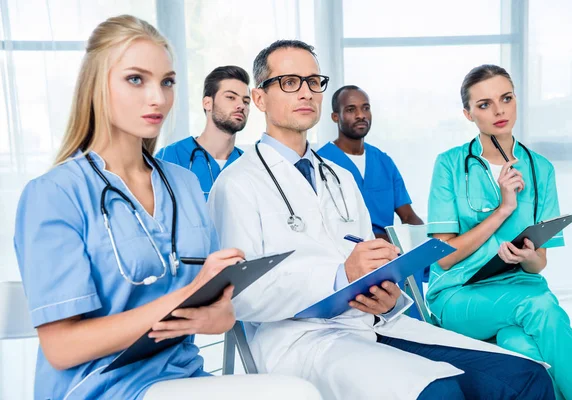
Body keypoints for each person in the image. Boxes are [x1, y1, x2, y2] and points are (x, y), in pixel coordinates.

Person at [208, 40, 555, 400]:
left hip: (371, 322)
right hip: (301, 341)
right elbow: (240, 297)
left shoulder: (338, 176)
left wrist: (387, 296)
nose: (306, 92)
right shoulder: (237, 184)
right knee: (440, 392)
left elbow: (367, 259)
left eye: (314, 81)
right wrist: (342, 276)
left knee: (526, 377)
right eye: (290, 82)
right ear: (260, 98)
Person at [13, 16, 320, 400]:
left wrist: (213, 314)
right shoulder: (55, 194)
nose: (158, 98)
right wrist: (179, 299)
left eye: (167, 82)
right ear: (96, 85)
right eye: (136, 79)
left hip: (184, 380)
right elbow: (61, 348)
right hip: (100, 389)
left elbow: (224, 314)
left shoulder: (184, 185)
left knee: (299, 391)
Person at [426, 64, 572, 400]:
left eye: (506, 98)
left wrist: (530, 256)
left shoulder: (541, 168)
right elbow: (444, 259)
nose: (499, 110)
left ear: (516, 100)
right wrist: (504, 208)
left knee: (526, 353)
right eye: (484, 104)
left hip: (519, 286)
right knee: (541, 306)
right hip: (458, 294)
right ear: (468, 113)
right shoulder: (449, 164)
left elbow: (539, 265)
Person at [317, 85, 426, 319]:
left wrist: (426, 241)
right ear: (335, 116)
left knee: (414, 266)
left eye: (365, 108)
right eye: (351, 109)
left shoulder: (383, 161)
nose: (360, 115)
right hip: (347, 251)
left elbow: (408, 216)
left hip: (389, 250)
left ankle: (417, 333)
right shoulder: (321, 163)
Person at [156, 65, 250, 200]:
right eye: (230, 97)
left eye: (246, 101)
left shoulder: (249, 164)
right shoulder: (170, 157)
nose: (241, 105)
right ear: (207, 103)